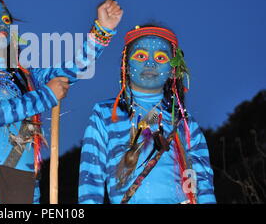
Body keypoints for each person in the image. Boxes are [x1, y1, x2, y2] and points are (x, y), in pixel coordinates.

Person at [0, 0, 123, 203]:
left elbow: (69, 72)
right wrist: (46, 94)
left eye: (5, 20)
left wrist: (102, 31)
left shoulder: (26, 76)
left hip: (27, 183)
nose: (1, 24)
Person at [79, 23, 216, 204]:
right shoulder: (104, 115)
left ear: (172, 70)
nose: (150, 63)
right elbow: (90, 177)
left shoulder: (184, 121)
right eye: (141, 55)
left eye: (160, 58)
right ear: (126, 66)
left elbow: (203, 179)